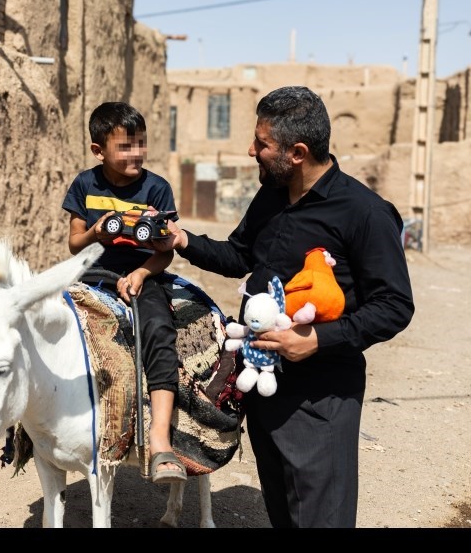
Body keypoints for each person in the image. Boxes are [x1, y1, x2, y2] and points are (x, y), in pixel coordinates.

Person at [151, 86, 415, 527]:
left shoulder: (364, 212)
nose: (250, 150)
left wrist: (315, 339)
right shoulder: (273, 196)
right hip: (265, 390)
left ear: (297, 152)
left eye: (261, 143)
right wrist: (183, 241)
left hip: (321, 399)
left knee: (320, 518)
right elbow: (239, 255)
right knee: (284, 514)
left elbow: (394, 305)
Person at [61, 101, 186, 484]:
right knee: (36, 319)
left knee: (159, 331)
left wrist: (141, 273)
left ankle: (161, 439)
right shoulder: (85, 184)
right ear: (99, 150)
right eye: (125, 146)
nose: (136, 154)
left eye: (141, 144)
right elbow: (74, 245)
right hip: (93, 272)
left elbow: (164, 253)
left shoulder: (157, 188)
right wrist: (97, 232)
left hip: (143, 275)